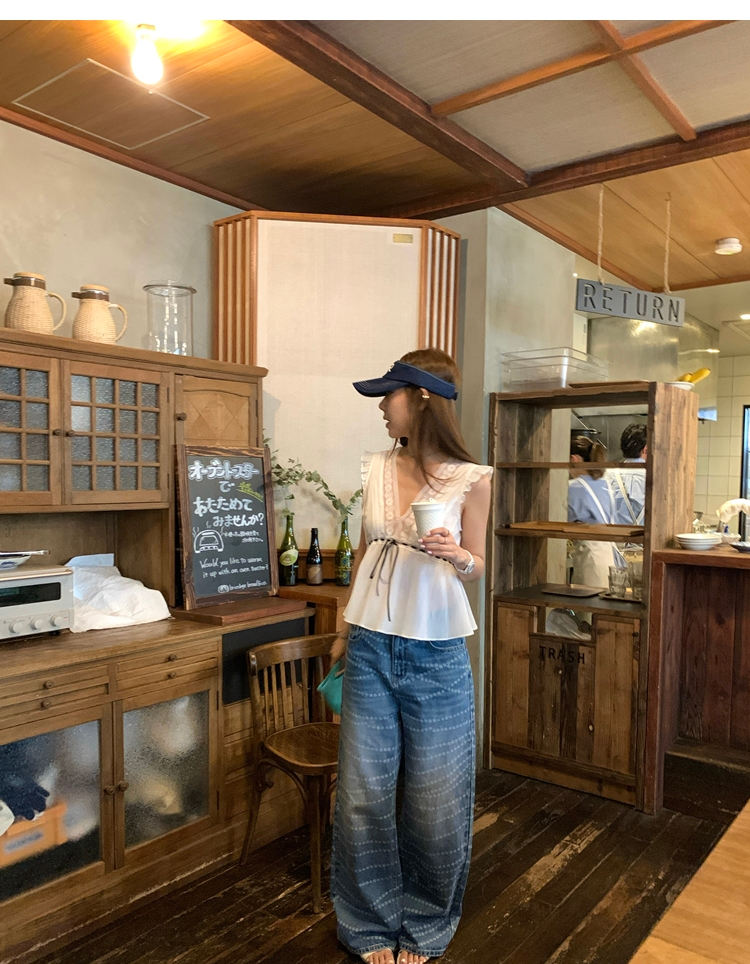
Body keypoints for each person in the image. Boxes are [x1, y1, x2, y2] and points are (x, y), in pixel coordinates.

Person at [329, 348, 492, 964]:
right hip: (370, 643)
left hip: (437, 650)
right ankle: (368, 923)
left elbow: (478, 566)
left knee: (436, 797)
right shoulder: (375, 467)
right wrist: (343, 634)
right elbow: (364, 553)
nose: (380, 407)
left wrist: (457, 554)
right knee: (363, 792)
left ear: (422, 397)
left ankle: (425, 923)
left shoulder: (472, 478)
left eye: (388, 395)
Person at [568, 435, 621, 587]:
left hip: (590, 555)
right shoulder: (606, 484)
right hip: (610, 553)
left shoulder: (574, 487)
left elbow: (561, 518)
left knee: (588, 599)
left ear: (574, 459)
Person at [608, 423, 647, 526]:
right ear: (646, 449)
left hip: (611, 535)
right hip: (645, 536)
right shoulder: (654, 479)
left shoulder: (607, 475)